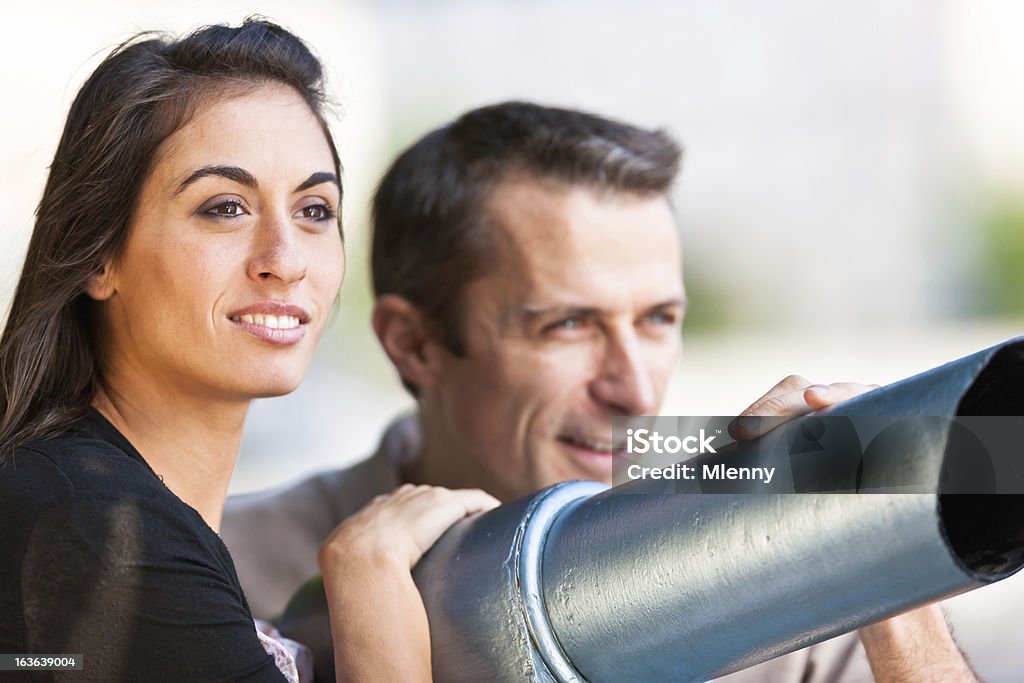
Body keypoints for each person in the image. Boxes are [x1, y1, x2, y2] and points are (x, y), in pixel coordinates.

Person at [222, 102, 978, 681]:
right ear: (413, 343)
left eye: (658, 319)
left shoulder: (773, 541)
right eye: (569, 325)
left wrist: (884, 549)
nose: (636, 386)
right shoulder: (225, 574)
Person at [0, 19, 497, 683]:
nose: (286, 261)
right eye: (226, 206)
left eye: (315, 210)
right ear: (99, 255)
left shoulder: (90, 501)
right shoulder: (100, 529)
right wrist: (370, 581)